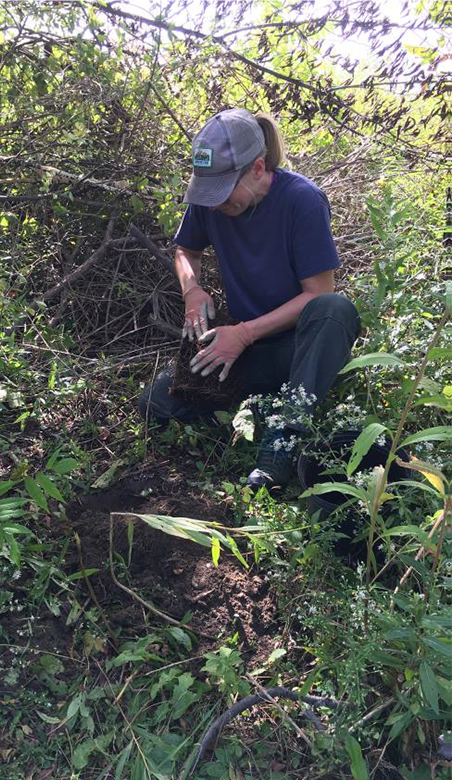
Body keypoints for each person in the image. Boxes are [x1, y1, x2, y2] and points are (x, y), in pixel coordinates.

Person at [139, 108, 361, 492]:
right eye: (208, 193)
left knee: (335, 310)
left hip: (299, 351)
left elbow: (318, 294)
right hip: (245, 357)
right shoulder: (211, 200)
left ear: (258, 168)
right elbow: (185, 251)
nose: (215, 203)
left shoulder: (302, 200)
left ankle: (283, 441)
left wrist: (242, 333)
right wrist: (192, 288)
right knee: (156, 405)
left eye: (224, 192)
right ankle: (250, 412)